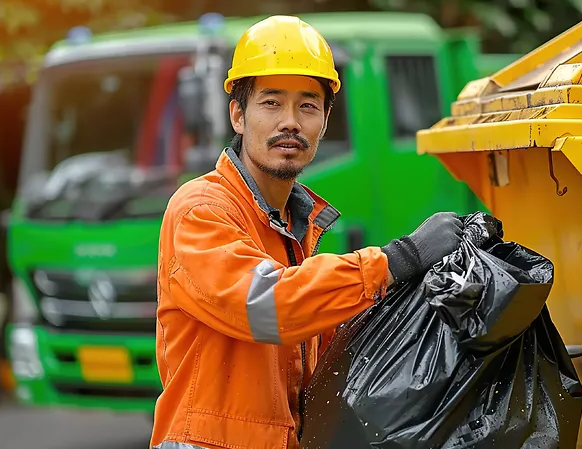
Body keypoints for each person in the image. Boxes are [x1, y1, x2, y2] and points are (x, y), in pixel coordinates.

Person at [150, 15, 464, 449]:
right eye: (271, 103)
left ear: (325, 122)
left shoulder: (293, 230)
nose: (291, 122)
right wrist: (398, 259)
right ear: (238, 116)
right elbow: (268, 304)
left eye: (308, 106)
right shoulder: (201, 210)